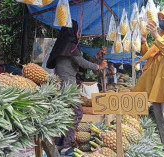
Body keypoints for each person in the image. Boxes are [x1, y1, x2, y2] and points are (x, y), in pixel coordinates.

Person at [47, 20, 107, 156]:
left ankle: (59, 143)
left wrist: (97, 57)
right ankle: (66, 145)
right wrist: (99, 66)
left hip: (62, 86)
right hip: (67, 86)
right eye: (78, 31)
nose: (79, 34)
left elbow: (80, 60)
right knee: (76, 113)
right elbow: (81, 62)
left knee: (66, 115)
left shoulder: (65, 46)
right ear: (72, 31)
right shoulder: (70, 45)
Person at [133, 10, 164, 156]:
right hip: (158, 85)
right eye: (160, 18)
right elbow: (152, 54)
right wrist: (145, 42)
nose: (162, 20)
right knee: (160, 119)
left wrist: (156, 35)